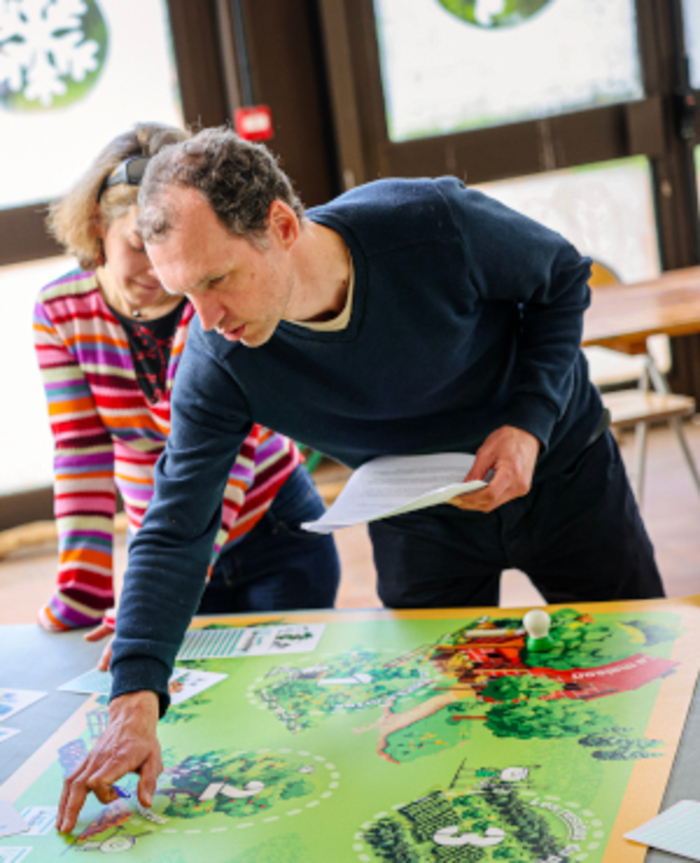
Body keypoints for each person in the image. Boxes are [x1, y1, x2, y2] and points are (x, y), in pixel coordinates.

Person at [56, 126, 663, 832]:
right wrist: (135, 694)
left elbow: (561, 276)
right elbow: (176, 523)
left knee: (643, 670)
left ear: (281, 225)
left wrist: (529, 420)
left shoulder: (430, 224)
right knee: (445, 717)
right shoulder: (218, 359)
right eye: (184, 293)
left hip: (560, 468)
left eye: (217, 279)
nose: (208, 319)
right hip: (416, 513)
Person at [34, 123, 340, 650]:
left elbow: (226, 450)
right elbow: (80, 450)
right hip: (170, 541)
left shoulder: (211, 307)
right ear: (95, 225)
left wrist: (161, 598)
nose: (162, 272)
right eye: (140, 246)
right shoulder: (59, 312)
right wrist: (81, 592)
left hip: (274, 530)